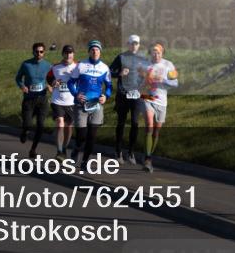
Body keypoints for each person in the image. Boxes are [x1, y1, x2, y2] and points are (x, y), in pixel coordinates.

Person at [68, 40, 112, 170]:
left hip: (96, 105)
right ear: (89, 51)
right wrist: (76, 94)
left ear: (100, 51)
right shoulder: (81, 65)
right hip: (81, 104)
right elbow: (71, 82)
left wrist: (106, 96)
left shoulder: (104, 68)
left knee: (92, 136)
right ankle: (77, 148)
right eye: (92, 49)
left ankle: (85, 161)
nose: (95, 51)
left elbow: (109, 86)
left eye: (97, 49)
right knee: (81, 136)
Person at [138, 43, 178, 173]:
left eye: (158, 53)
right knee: (149, 125)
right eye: (154, 53)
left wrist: (163, 80)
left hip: (162, 101)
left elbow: (175, 83)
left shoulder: (168, 65)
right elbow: (138, 81)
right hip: (148, 97)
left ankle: (148, 155)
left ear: (162, 54)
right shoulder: (145, 65)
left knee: (156, 131)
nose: (156, 55)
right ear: (151, 54)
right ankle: (147, 160)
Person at [110, 34, 148, 164]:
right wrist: (119, 74)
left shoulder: (142, 58)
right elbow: (109, 71)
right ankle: (118, 151)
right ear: (128, 44)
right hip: (123, 94)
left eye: (136, 43)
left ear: (139, 45)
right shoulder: (121, 57)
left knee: (135, 123)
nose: (134, 46)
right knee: (121, 122)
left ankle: (131, 152)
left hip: (136, 95)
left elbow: (146, 76)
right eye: (132, 43)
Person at [16, 42, 52, 159]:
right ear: (33, 52)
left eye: (41, 51)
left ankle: (33, 149)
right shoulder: (26, 64)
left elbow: (52, 80)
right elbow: (18, 78)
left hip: (42, 99)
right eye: (37, 51)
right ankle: (25, 131)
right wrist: (22, 86)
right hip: (29, 99)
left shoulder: (48, 66)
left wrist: (50, 86)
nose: (39, 54)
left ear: (44, 53)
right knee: (27, 124)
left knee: (40, 126)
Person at [47, 45, 77, 161]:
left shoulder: (77, 67)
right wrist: (53, 82)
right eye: (66, 53)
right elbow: (49, 79)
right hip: (57, 100)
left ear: (73, 54)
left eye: (70, 53)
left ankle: (64, 149)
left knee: (69, 126)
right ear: (63, 54)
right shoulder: (55, 67)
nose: (68, 55)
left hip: (72, 102)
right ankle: (59, 151)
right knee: (60, 123)